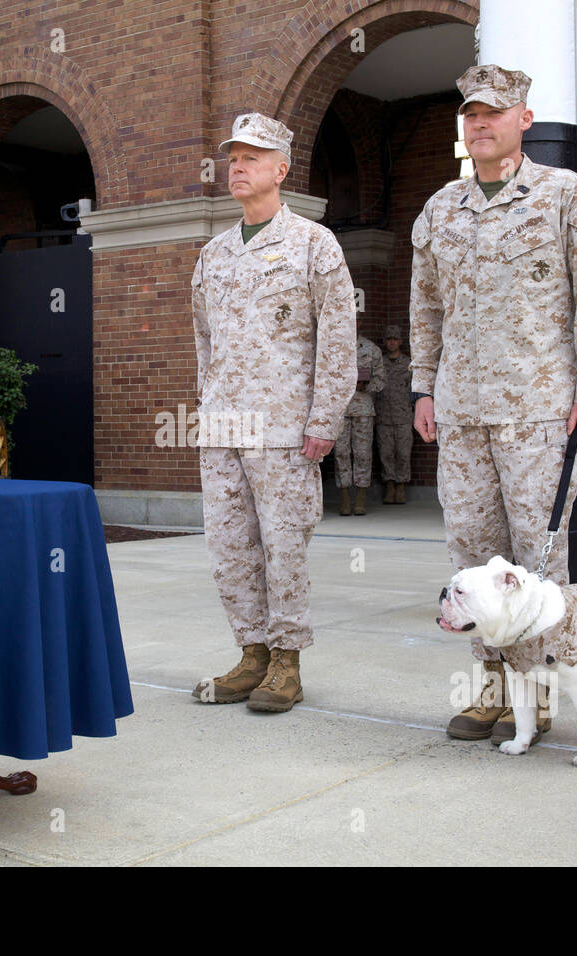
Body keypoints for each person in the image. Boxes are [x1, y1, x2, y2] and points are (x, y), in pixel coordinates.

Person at [409, 65, 577, 744]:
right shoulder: (440, 209)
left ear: (523, 120)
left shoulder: (568, 196)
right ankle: (491, 692)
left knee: (538, 558)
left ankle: (542, 692)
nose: (480, 124)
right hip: (462, 411)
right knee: (474, 557)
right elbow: (425, 305)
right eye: (470, 114)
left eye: (494, 113)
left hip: (540, 409)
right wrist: (422, 385)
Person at [190, 112, 356, 713]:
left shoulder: (314, 244)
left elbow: (337, 342)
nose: (238, 166)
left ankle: (287, 661)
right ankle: (251, 653)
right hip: (224, 427)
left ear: (281, 169)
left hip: (285, 426)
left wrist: (323, 422)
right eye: (234, 157)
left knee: (283, 543)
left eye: (252, 157)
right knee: (229, 545)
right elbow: (204, 344)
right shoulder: (212, 254)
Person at [333, 326, 384, 515]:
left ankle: (360, 499)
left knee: (363, 454)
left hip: (363, 409)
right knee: (341, 453)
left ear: (360, 324)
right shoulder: (335, 347)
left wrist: (367, 385)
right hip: (341, 410)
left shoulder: (371, 349)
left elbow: (381, 379)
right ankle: (345, 499)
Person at [375, 325, 413, 504]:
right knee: (386, 453)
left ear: (400, 341)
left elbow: (415, 389)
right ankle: (389, 487)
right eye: (389, 339)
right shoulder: (379, 363)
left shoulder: (408, 364)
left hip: (403, 416)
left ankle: (401, 487)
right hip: (383, 416)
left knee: (403, 453)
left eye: (395, 339)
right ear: (385, 342)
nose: (392, 342)